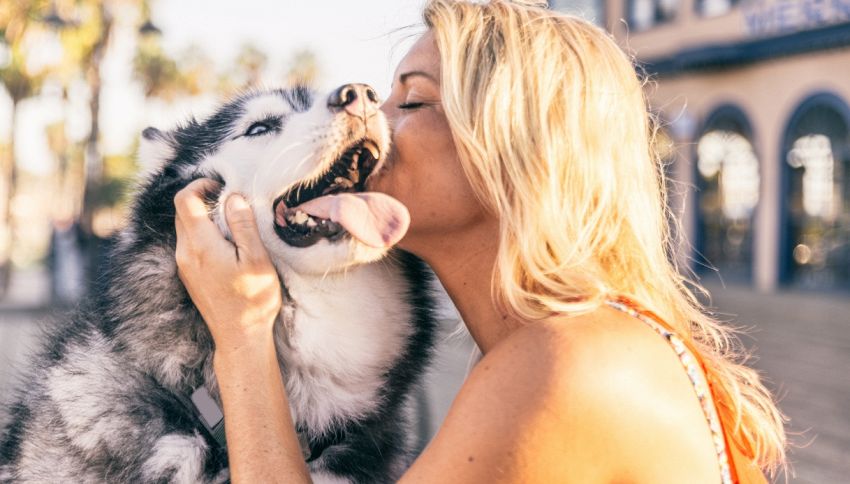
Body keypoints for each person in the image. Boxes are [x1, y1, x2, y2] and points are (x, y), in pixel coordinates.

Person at [173, 0, 787, 482]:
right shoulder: (579, 341)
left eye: (411, 100)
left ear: (515, 152)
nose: (369, 115)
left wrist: (244, 335)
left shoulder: (565, 364)